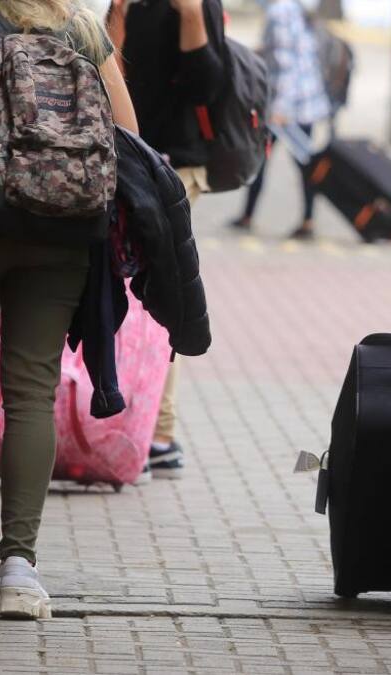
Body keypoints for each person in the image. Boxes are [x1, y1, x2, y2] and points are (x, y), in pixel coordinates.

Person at [0, 0, 138, 619]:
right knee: (30, 393)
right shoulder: (85, 30)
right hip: (63, 233)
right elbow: (127, 136)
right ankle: (18, 571)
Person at [107, 0, 226, 483]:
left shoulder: (196, 4)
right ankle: (124, 424)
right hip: (124, 155)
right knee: (125, 291)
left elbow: (207, 87)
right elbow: (105, 77)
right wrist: (116, 20)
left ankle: (160, 433)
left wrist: (193, 15)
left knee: (163, 287)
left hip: (174, 164)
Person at [230, 0, 331, 240]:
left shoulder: (280, 10)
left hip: (286, 106)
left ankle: (248, 216)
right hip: (305, 101)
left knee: (261, 157)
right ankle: (307, 220)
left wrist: (280, 109)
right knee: (303, 162)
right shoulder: (297, 6)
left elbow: (286, 64)